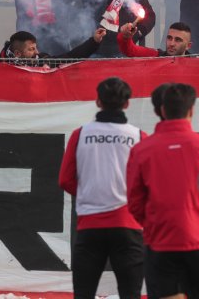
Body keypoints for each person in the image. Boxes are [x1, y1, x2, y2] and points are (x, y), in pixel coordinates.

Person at [126, 83, 199, 299]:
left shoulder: (142, 149)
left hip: (160, 239)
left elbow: (134, 200)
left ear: (162, 111)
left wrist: (153, 222)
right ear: (192, 110)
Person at [58, 77, 146, 299]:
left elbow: (65, 180)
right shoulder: (138, 137)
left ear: (98, 102)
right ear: (127, 104)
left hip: (90, 226)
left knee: (84, 294)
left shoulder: (80, 134)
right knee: (130, 294)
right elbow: (147, 184)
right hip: (128, 227)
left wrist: (91, 192)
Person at [0, 29, 105, 67]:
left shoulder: (41, 61)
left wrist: (94, 41)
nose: (37, 53)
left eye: (35, 48)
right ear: (18, 54)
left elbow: (70, 57)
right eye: (31, 49)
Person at [117, 21, 192, 58]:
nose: (171, 44)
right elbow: (130, 51)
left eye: (178, 40)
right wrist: (125, 36)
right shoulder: (155, 56)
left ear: (188, 46)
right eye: (169, 38)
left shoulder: (198, 62)